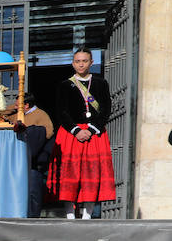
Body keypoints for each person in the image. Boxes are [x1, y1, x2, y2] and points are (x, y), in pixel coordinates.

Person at [48, 48, 115, 218]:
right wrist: (76, 130)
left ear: (91, 63)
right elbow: (61, 111)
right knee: (70, 172)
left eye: (84, 61)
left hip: (94, 134)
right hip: (71, 134)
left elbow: (106, 109)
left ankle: (88, 214)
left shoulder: (101, 83)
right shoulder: (65, 85)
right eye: (77, 61)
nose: (81, 64)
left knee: (91, 172)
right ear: (73, 63)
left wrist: (92, 129)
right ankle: (70, 213)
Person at [7, 101, 56, 217]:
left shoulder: (40, 114)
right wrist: (13, 107)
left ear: (27, 105)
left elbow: (49, 132)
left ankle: (33, 216)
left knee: (33, 190)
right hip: (16, 158)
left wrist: (34, 143)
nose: (16, 106)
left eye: (18, 103)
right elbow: (1, 113)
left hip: (33, 159)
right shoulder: (17, 114)